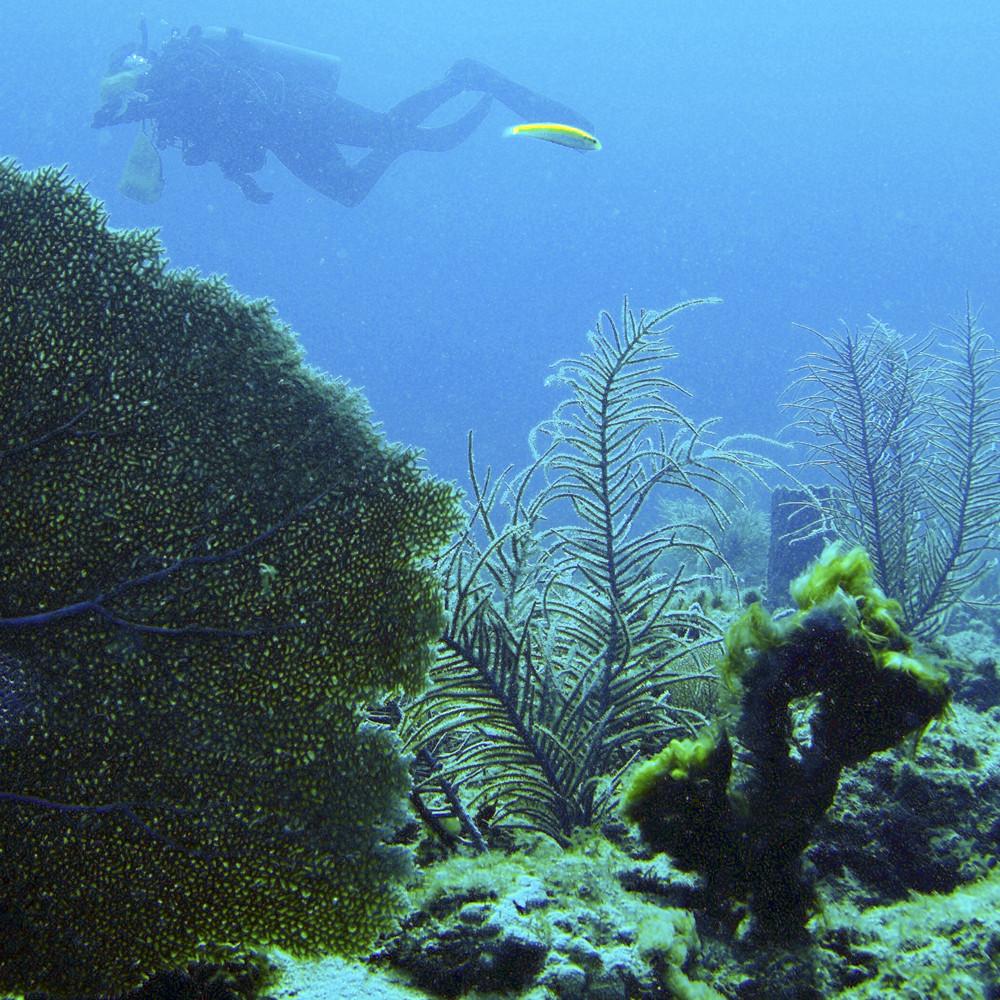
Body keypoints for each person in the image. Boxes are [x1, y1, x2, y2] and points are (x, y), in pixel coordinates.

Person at [93, 23, 595, 206]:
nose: (132, 78)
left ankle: (463, 76)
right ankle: (408, 139)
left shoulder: (183, 61)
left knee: (383, 128)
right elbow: (221, 135)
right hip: (282, 135)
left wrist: (149, 90)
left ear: (143, 57)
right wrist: (241, 179)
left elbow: (216, 91)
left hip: (298, 105)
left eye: (131, 67)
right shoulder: (164, 109)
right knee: (350, 192)